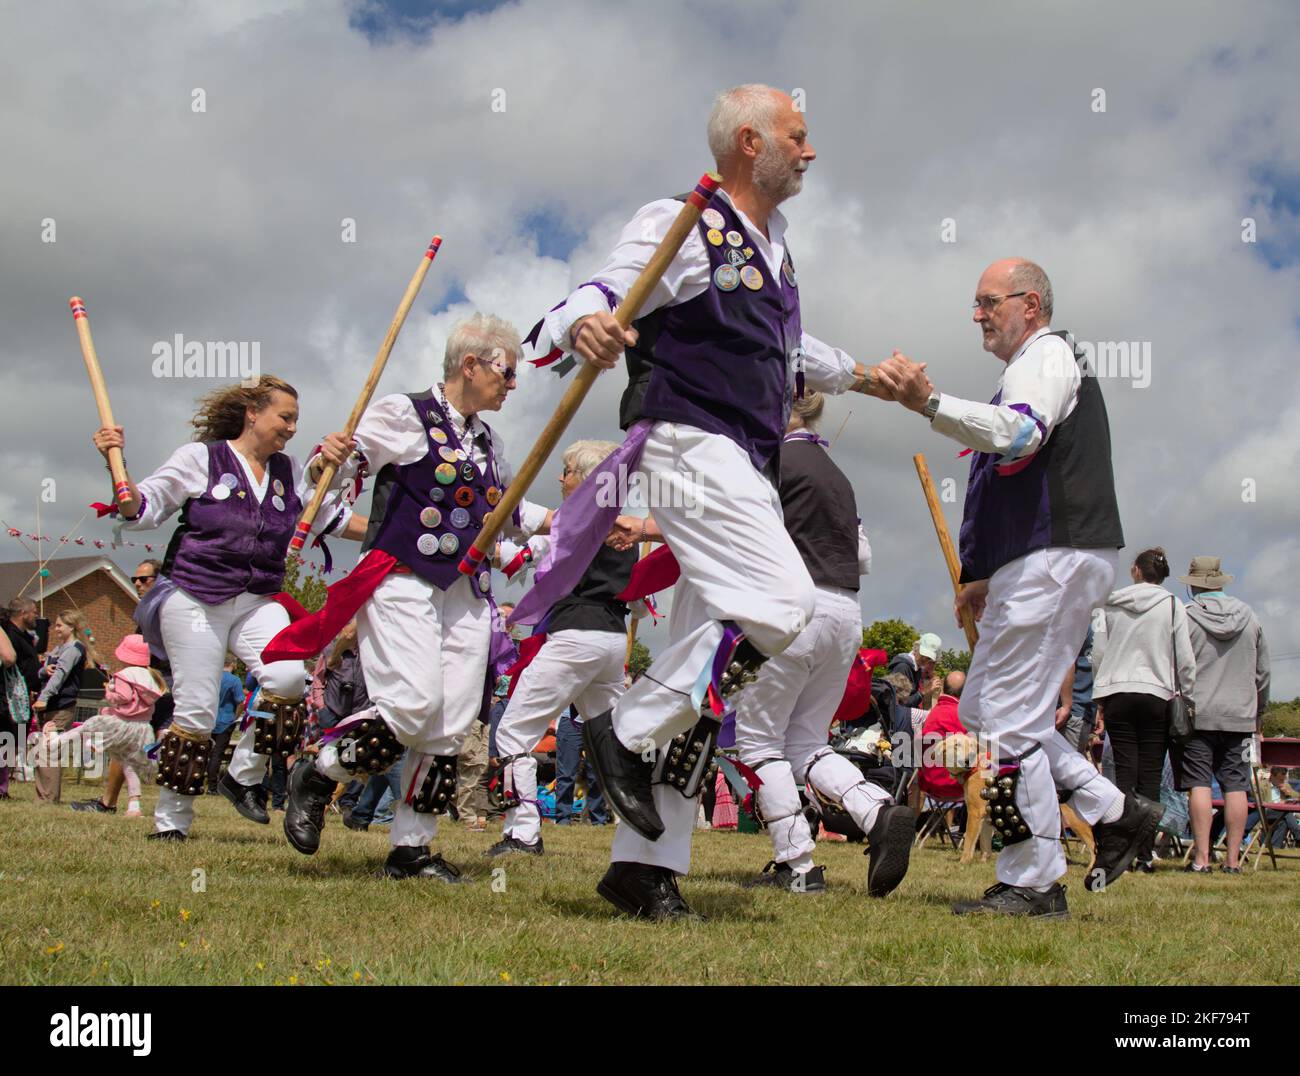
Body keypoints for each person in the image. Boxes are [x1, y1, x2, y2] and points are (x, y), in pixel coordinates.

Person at [527, 84, 902, 920]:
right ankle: (625, 734)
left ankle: (643, 868)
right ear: (748, 141)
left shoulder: (779, 245)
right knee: (784, 604)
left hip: (744, 456)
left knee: (705, 656)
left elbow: (791, 349)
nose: (810, 152)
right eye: (798, 137)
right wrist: (582, 326)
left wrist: (872, 378)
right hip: (688, 439)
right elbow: (602, 288)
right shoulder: (687, 221)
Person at [878, 258, 1163, 918]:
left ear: (1030, 305)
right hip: (1037, 561)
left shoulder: (1046, 357)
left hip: (1055, 557)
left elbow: (1022, 434)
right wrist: (986, 575)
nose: (976, 314)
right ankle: (1113, 811)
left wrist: (929, 402)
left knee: (1004, 722)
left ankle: (1034, 879)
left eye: (987, 302)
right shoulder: (1026, 369)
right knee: (985, 711)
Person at [273, 313, 559, 880]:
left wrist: (579, 521)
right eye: (507, 371)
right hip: (403, 578)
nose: (513, 383)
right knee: (410, 705)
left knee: (449, 725)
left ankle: (412, 849)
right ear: (470, 364)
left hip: (467, 592)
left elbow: (504, 514)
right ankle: (320, 772)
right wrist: (327, 460)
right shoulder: (406, 414)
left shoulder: (489, 442)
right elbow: (343, 472)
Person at [92, 375, 358, 841]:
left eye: (297, 420)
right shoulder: (202, 459)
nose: (292, 428)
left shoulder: (289, 472)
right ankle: (171, 824)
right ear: (253, 413)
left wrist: (402, 539)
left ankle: (242, 774)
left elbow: (332, 517)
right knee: (195, 710)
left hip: (257, 599)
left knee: (288, 679)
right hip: (195, 594)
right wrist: (117, 465)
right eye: (285, 417)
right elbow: (141, 508)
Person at [728, 391, 909, 894]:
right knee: (806, 742)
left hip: (794, 607)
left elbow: (743, 533)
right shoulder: (839, 473)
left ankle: (797, 865)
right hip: (845, 611)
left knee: (760, 742)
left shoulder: (771, 460)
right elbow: (864, 554)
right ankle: (875, 811)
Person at [487, 439, 637, 857]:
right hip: (611, 640)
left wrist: (475, 545)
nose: (560, 477)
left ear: (586, 480)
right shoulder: (622, 527)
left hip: (575, 636)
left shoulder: (575, 522)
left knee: (514, 731)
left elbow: (518, 557)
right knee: (613, 739)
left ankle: (522, 833)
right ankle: (642, 827)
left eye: (567, 470)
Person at [1090, 547, 1197, 871]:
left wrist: (1101, 694)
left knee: (1124, 773)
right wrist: (1187, 695)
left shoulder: (1110, 602)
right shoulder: (1172, 604)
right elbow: (1185, 657)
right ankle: (1145, 852)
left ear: (1136, 570)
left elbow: (1098, 652)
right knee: (1150, 776)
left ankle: (1120, 846)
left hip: (1118, 691)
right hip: (1156, 693)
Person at [1174, 557, 1270, 874]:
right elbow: (1263, 673)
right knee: (1236, 786)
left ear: (1193, 585)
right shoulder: (1250, 617)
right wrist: (1258, 714)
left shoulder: (1186, 618)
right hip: (1240, 717)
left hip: (1198, 716)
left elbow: (1177, 666)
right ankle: (1232, 861)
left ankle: (1201, 859)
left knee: (1199, 784)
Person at [70, 561, 173, 814]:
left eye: (143, 579)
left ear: (159, 581)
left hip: (155, 685)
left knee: (127, 741)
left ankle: (112, 802)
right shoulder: (148, 612)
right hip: (157, 685)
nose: (137, 583)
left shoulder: (165, 612)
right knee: (133, 744)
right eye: (134, 578)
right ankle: (118, 802)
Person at [49, 634, 166, 817]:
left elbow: (123, 698)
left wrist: (110, 692)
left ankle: (57, 740)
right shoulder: (151, 677)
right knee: (129, 764)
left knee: (89, 725)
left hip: (122, 723)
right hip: (142, 728)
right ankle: (134, 805)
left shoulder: (125, 675)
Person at [32, 610, 97, 803]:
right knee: (44, 750)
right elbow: (45, 671)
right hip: (51, 705)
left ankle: (48, 798)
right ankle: (43, 796)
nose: (56, 628)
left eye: (60, 625)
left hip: (61, 706)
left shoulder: (73, 649)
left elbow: (60, 675)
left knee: (49, 751)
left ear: (71, 627)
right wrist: (44, 670)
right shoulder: (59, 648)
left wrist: (44, 697)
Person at [1, 596, 47, 800]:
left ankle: (3, 786)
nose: (36, 615)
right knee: (6, 741)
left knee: (13, 742)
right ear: (23, 613)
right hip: (9, 697)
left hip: (22, 698)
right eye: (34, 611)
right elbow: (10, 661)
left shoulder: (23, 636)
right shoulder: (9, 634)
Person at [205, 655, 244, 793]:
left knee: (205, 752)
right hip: (225, 720)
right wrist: (235, 716)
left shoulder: (211, 678)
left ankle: (200, 782)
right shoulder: (234, 680)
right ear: (233, 664)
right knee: (217, 754)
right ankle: (213, 787)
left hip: (208, 719)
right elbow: (240, 701)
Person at [1057, 626, 1097, 756]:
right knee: (1067, 769)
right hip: (1072, 710)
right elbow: (1066, 658)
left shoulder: (1092, 621)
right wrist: (1066, 705)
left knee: (1068, 767)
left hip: (1080, 709)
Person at [888, 634, 941, 710]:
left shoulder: (916, 668)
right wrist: (924, 691)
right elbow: (897, 704)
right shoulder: (903, 668)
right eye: (924, 654)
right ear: (916, 648)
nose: (925, 659)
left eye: (929, 658)